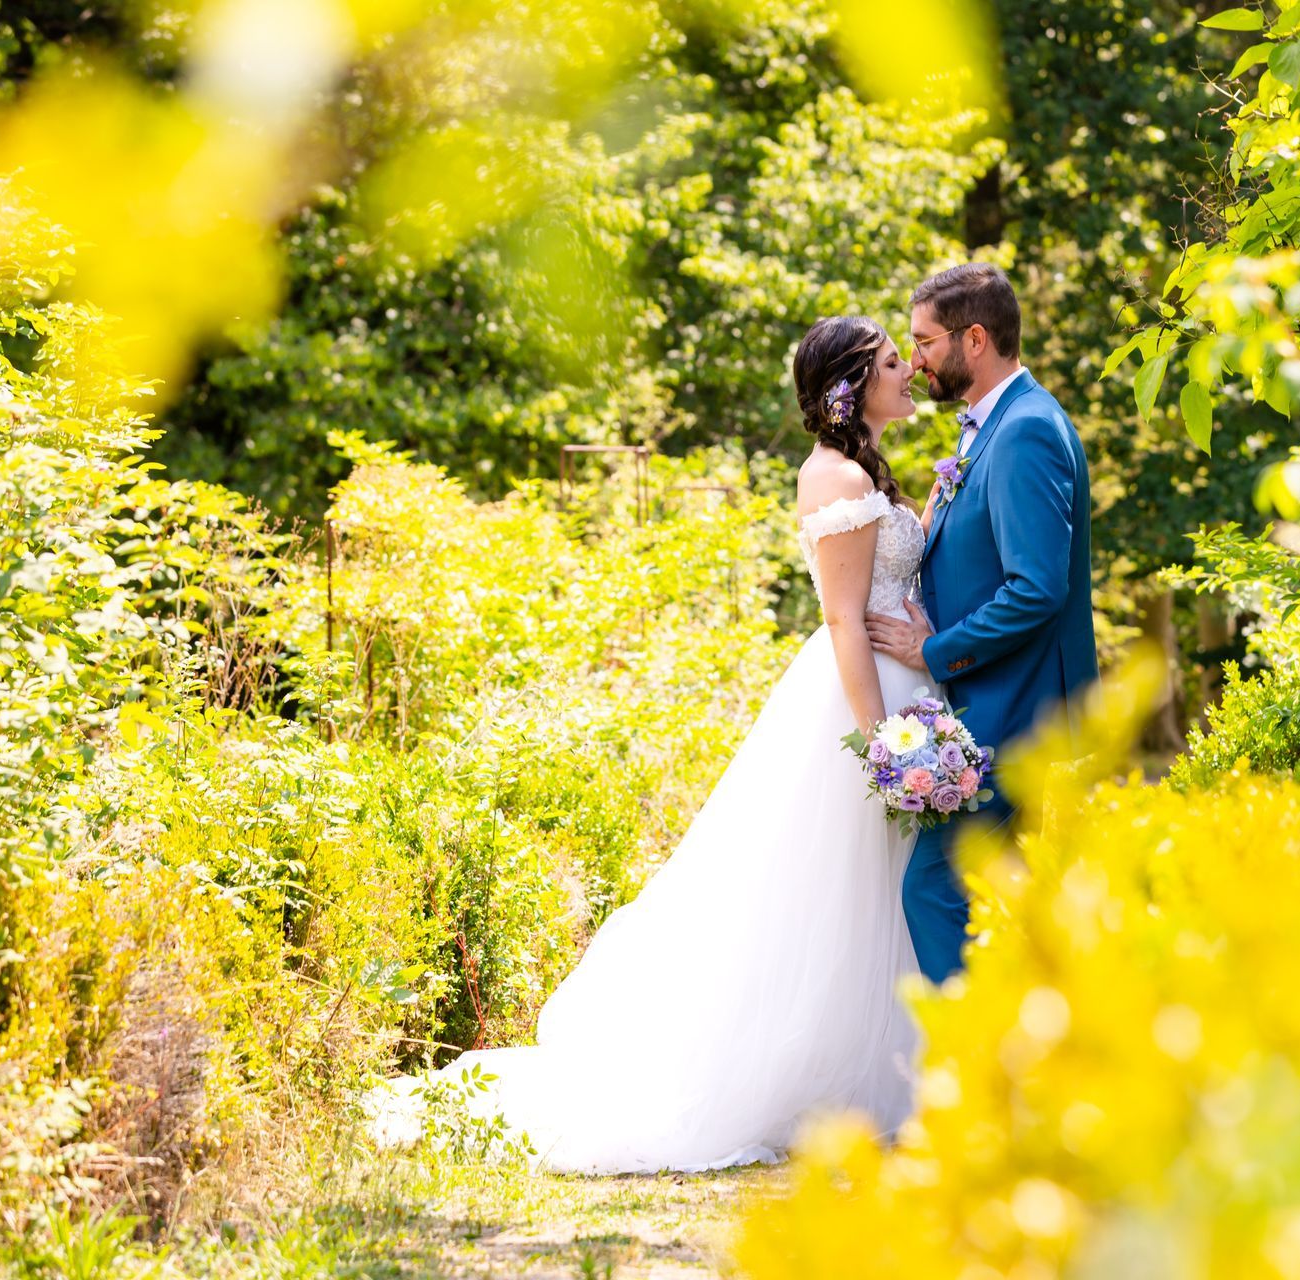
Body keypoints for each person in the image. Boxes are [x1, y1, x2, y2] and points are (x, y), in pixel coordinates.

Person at [368, 315, 936, 1173]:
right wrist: (880, 742)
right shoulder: (837, 476)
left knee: (878, 895)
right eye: (895, 362)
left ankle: (899, 1070)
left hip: (900, 682)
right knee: (837, 891)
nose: (909, 373)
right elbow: (841, 621)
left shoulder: (866, 471)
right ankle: (824, 1076)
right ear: (852, 385)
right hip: (863, 703)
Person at [867, 263, 1099, 984]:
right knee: (1006, 904)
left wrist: (935, 650)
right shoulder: (991, 424)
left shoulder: (1026, 430)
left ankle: (976, 1075)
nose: (916, 361)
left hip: (1017, 715)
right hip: (990, 710)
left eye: (925, 342)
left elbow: (1036, 589)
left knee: (934, 891)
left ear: (975, 338)